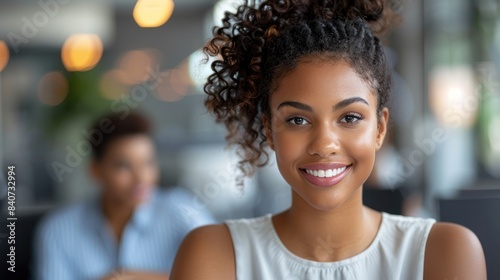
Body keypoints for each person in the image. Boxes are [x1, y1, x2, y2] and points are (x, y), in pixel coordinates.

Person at [170, 1, 487, 279]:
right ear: (269, 130)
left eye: (350, 118)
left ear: (379, 129)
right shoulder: (215, 254)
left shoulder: (443, 252)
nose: (324, 144)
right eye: (297, 120)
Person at [34, 111, 215, 280]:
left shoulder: (182, 210)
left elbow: (225, 272)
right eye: (124, 166)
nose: (141, 177)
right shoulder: (59, 229)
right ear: (95, 170)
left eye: (148, 162)